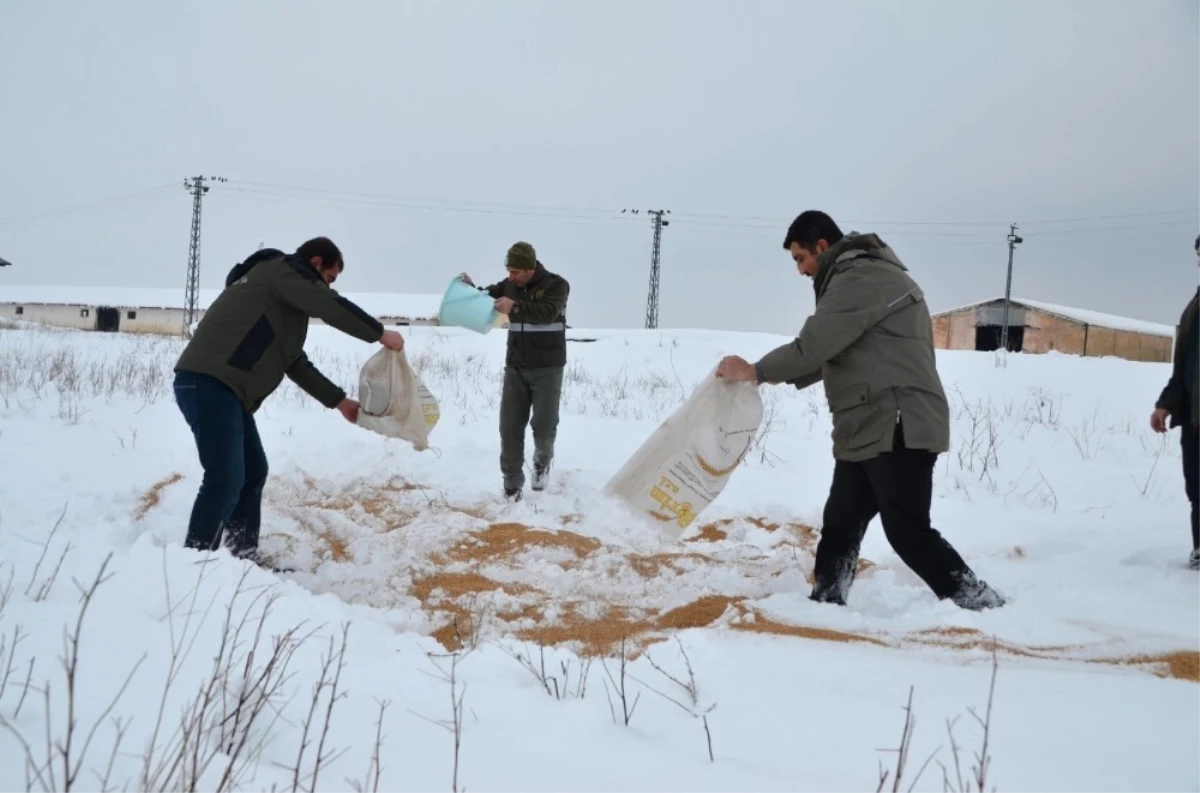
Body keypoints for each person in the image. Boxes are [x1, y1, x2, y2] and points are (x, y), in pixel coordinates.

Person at [715, 210, 1004, 610]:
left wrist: (757, 370)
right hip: (869, 423)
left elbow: (815, 345)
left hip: (899, 422)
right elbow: (829, 352)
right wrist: (765, 374)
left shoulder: (860, 278)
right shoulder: (854, 277)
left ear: (822, 246)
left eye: (801, 259)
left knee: (907, 530)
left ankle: (979, 601)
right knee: (842, 522)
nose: (800, 271)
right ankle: (827, 600)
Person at [173, 236, 405, 568]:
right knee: (225, 477)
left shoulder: (283, 304)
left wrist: (340, 402)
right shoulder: (280, 272)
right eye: (330, 277)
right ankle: (194, 564)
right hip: (207, 383)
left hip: (226, 390)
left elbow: (293, 361)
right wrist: (380, 333)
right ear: (315, 263)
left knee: (253, 472)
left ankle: (241, 559)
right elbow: (330, 306)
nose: (328, 287)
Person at [460, 241, 570, 501]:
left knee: (543, 427)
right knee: (509, 428)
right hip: (515, 369)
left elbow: (546, 313)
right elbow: (485, 296)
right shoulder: (508, 286)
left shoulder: (556, 285)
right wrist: (468, 290)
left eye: (516, 272)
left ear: (530, 268)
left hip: (547, 368)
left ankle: (542, 461)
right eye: (509, 271)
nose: (511, 277)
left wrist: (516, 307)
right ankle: (511, 485)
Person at [1149, 233, 1200, 571]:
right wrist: (1166, 402)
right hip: (1195, 420)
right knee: (1196, 486)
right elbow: (1185, 364)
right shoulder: (1196, 305)